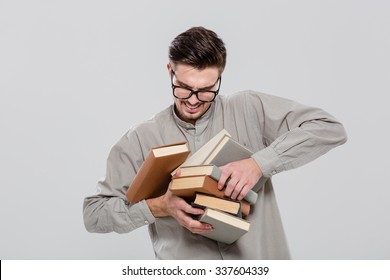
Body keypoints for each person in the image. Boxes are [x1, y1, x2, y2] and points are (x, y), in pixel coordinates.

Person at [83, 26, 347, 259]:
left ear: (220, 76)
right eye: (183, 87)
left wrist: (259, 163)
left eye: (207, 89)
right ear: (169, 71)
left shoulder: (248, 107)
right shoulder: (140, 139)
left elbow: (328, 128)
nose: (194, 99)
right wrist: (159, 206)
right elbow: (94, 214)